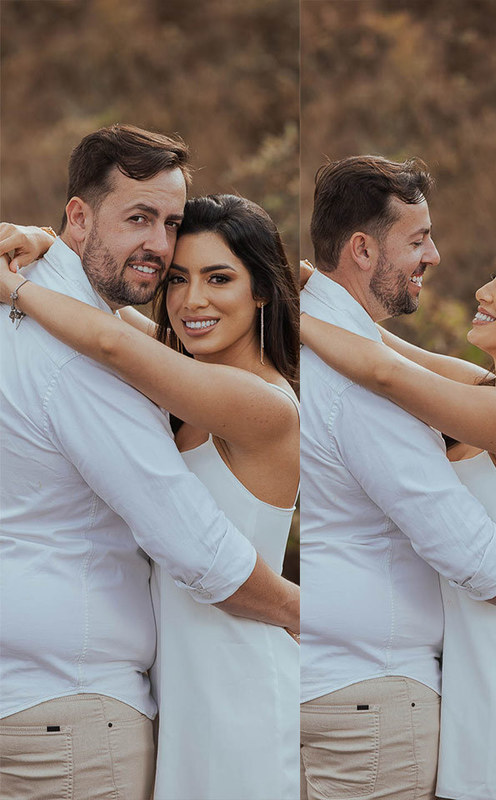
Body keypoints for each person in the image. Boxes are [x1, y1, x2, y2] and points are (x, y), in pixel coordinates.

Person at [0, 124, 299, 800]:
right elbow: (118, 338)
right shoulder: (129, 362)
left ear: (261, 290)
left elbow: (114, 341)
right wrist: (47, 256)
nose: (162, 255)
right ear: (80, 214)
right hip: (106, 703)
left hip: (229, 680)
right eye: (141, 219)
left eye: (169, 224)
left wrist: (36, 272)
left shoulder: (258, 403)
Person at [298, 155, 496, 800]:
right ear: (364, 248)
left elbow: (385, 372)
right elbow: (395, 353)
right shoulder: (483, 392)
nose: (481, 290)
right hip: (466, 678)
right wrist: (308, 290)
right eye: (420, 239)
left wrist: (288, 315)